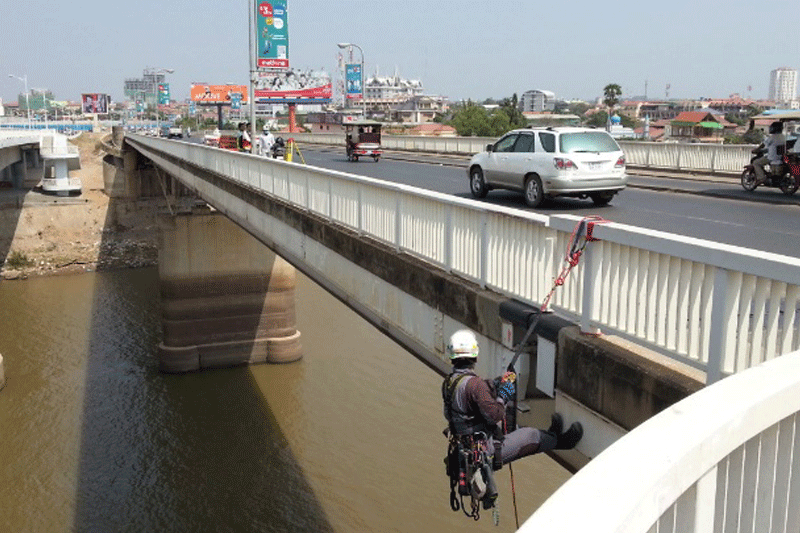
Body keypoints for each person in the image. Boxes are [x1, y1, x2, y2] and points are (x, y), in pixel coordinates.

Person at [442, 329, 582, 513]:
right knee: (530, 435)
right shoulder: (475, 386)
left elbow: (458, 408)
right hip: (485, 451)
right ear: (474, 355)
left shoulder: (450, 382)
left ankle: (552, 434)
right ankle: (564, 442)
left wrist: (495, 384)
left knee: (520, 429)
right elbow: (496, 414)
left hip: (467, 450)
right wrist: (503, 395)